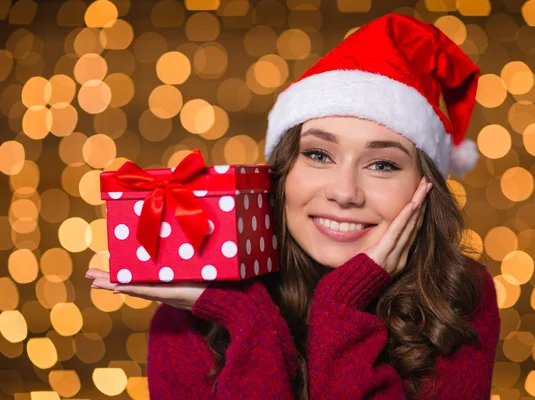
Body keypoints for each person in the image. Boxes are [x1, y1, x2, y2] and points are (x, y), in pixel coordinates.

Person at [87, 14, 500, 400]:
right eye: (319, 155)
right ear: (281, 173)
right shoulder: (191, 315)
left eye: (383, 164)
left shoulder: (458, 299)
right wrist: (244, 314)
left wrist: (342, 307)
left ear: (425, 188)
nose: (344, 192)